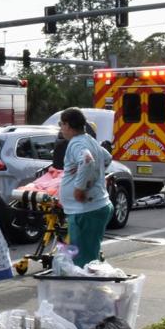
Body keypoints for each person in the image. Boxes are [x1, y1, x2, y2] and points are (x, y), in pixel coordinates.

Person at [59, 107, 112, 265]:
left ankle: (86, 288)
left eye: (61, 124)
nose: (61, 128)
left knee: (83, 262)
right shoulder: (89, 139)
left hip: (85, 210)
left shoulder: (76, 143)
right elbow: (107, 158)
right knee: (88, 256)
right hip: (94, 207)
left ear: (68, 125)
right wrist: (93, 175)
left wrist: (79, 187)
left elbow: (87, 160)